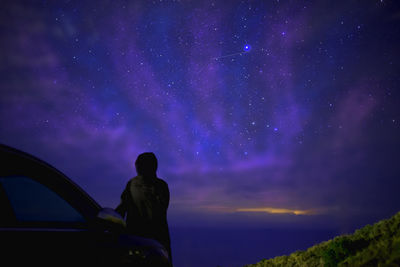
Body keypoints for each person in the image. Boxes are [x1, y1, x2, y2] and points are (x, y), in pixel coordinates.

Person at [116, 152, 172, 263]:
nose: (138, 168)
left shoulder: (160, 186)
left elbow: (159, 209)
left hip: (151, 240)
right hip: (141, 239)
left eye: (141, 165)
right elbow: (122, 208)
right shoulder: (132, 184)